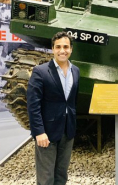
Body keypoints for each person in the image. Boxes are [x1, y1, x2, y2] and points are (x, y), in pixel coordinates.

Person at [27, 31, 80, 185]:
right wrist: (39, 132)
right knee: (46, 177)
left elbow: (72, 102)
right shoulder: (41, 72)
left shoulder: (75, 71)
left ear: (71, 49)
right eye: (58, 47)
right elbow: (33, 104)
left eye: (66, 47)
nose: (62, 50)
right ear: (52, 49)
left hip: (67, 131)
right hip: (47, 132)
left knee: (61, 175)